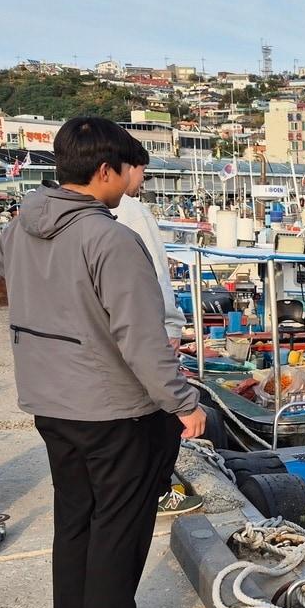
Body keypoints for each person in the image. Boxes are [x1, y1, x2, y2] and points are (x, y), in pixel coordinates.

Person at [0, 116, 205, 608]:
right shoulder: (110, 238)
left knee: (76, 522)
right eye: (129, 170)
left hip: (49, 402)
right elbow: (141, 338)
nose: (132, 181)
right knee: (120, 526)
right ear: (106, 170)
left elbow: (6, 281)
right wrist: (184, 403)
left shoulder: (18, 229)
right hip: (110, 408)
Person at [111, 146, 202, 517]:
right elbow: (157, 275)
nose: (144, 179)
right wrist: (171, 325)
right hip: (149, 328)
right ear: (123, 168)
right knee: (163, 416)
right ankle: (160, 489)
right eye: (142, 171)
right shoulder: (131, 212)